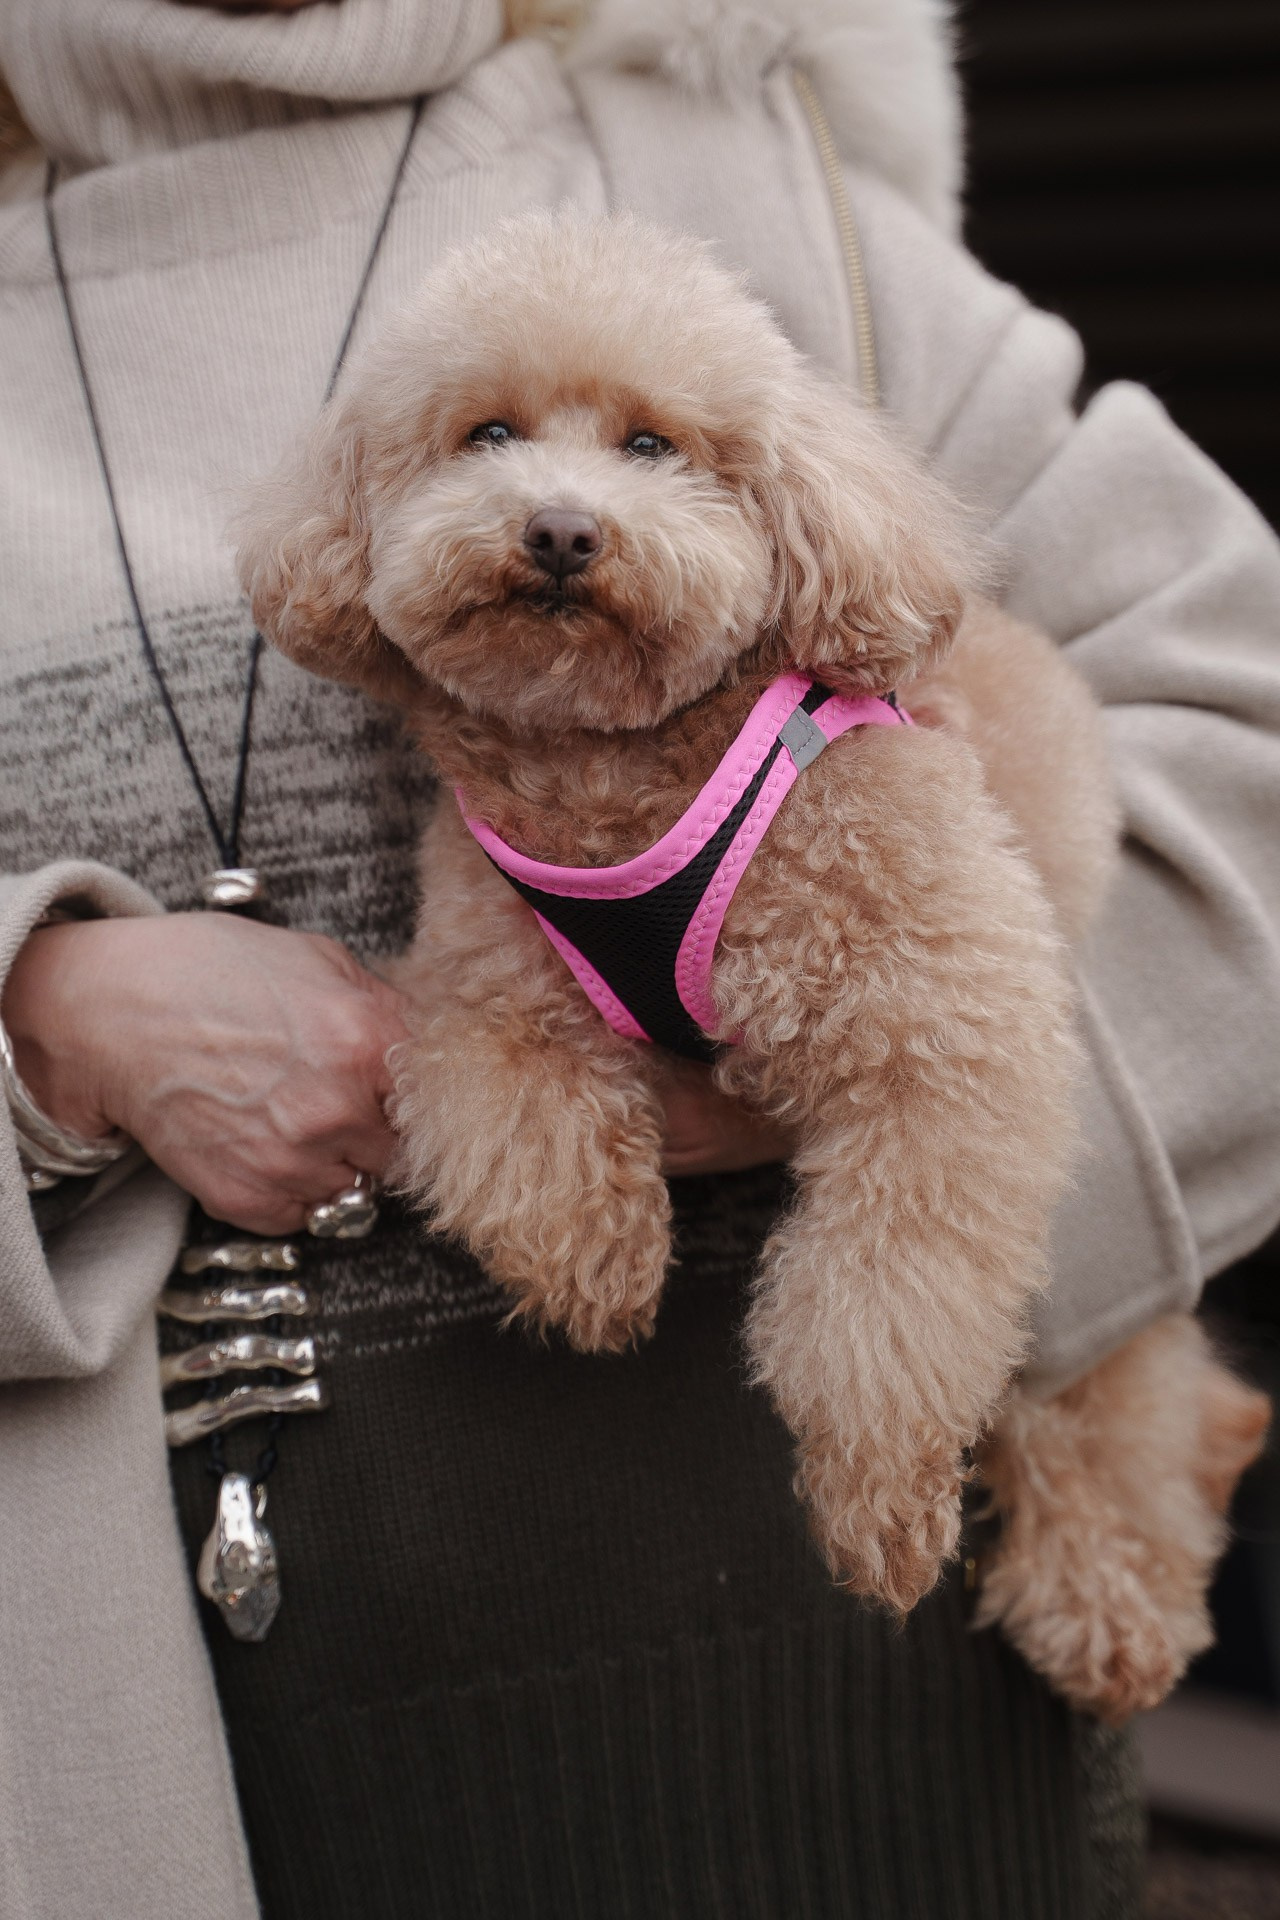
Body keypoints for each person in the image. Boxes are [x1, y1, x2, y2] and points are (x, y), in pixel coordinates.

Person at [1, 1, 1278, 1915]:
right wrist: (44, 1020)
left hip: (854, 1703)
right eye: (489, 439)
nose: (558, 497)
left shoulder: (734, 168)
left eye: (642, 449)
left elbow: (1245, 731)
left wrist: (878, 1107)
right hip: (150, 1777)